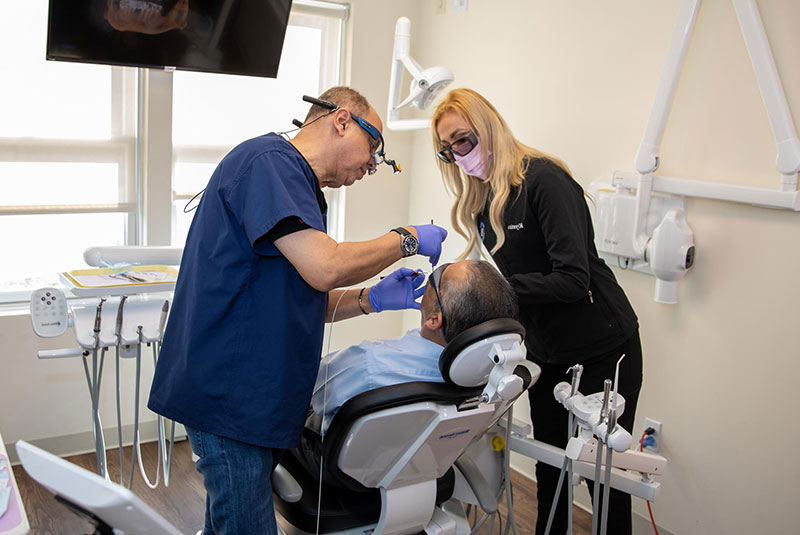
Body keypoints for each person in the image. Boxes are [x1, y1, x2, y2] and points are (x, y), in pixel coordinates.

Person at [148, 86, 448, 535]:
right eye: (374, 149)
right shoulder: (269, 163)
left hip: (254, 401)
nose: (371, 166)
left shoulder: (296, 187)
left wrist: (372, 299)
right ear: (342, 120)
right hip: (230, 398)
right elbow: (325, 266)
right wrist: (405, 238)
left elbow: (297, 300)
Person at [430, 88, 642, 535]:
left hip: (603, 345)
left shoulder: (543, 181)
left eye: (462, 140)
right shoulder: (483, 202)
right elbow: (521, 290)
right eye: (447, 150)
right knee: (552, 465)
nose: (457, 155)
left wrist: (492, 285)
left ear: (488, 129)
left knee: (604, 476)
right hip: (547, 351)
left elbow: (572, 279)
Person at [296, 259, 518, 482]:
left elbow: (312, 393)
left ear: (434, 320)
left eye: (438, 276)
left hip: (342, 474)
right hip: (417, 469)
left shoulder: (370, 365)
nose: (432, 275)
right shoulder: (485, 377)